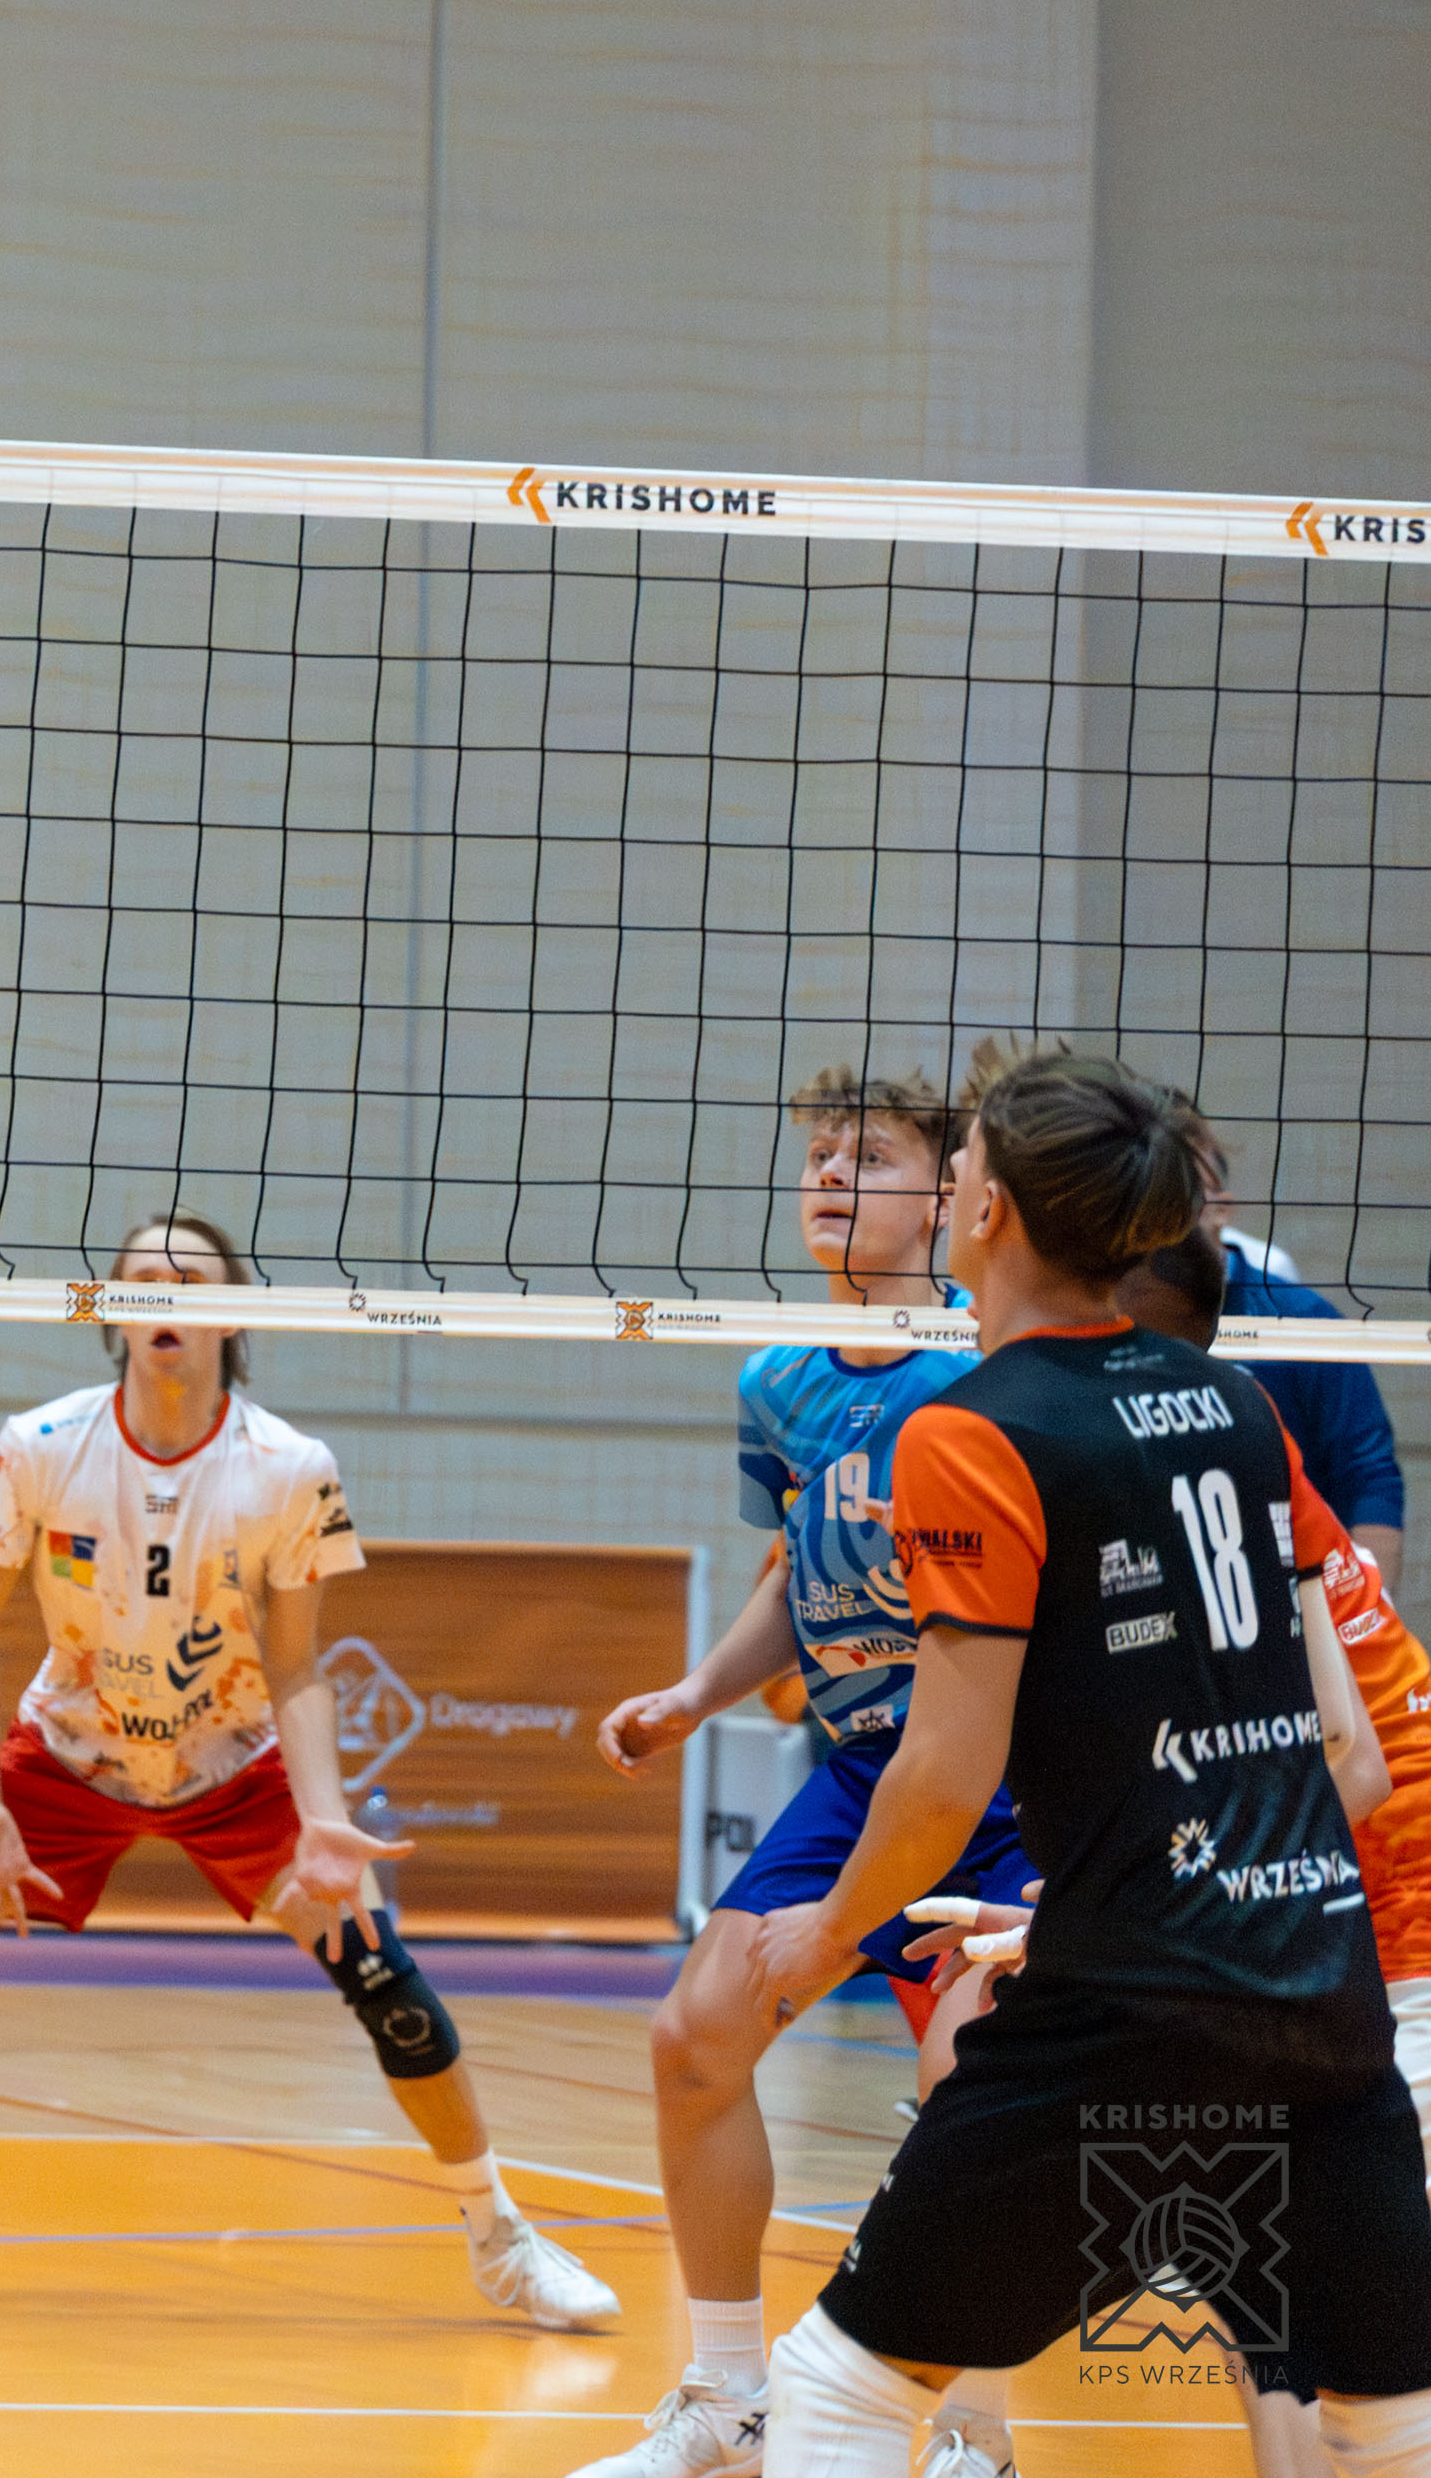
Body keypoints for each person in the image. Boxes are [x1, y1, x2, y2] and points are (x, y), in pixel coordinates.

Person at [0, 1212, 616, 2335]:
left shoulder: (289, 1469)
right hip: (65, 1753)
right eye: (138, 1277)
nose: (162, 1291)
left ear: (234, 1315)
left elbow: (297, 1664)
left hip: (237, 1762)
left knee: (386, 1985)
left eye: (190, 1277)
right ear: (111, 1313)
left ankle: (501, 2240)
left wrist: (322, 1815)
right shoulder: (38, 1446)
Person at [728, 1047, 1429, 2477]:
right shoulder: (1236, 1406)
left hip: (1128, 2013)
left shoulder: (969, 1432)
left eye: (965, 1157)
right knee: (1384, 2419)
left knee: (835, 2387)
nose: (953, 1174)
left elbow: (941, 1774)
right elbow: (1328, 1745)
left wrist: (829, 1929)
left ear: (987, 1209)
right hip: (1321, 1994)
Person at [569, 1068, 1043, 2478]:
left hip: (1007, 1770)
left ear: (948, 1195)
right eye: (818, 1157)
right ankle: (728, 2404)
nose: (831, 1177)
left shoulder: (988, 1370)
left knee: (973, 2087)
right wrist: (694, 1693)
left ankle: (974, 2433)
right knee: (693, 2040)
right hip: (856, 1773)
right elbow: (796, 1573)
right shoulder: (774, 1378)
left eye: (869, 1156)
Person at [1126, 1212, 1431, 2476]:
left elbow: (1348, 1768)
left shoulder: (1211, 1469)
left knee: (1355, 2320)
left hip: (1393, 1924)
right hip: (1324, 1921)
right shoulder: (1202, 1442)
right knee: (1249, 2245)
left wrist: (1123, 1907)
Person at [1194, 1130, 1406, 1587]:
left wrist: (1373, 1611)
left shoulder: (1301, 1319)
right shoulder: (1110, 1315)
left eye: (1182, 1188)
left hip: (1290, 1587)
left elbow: (1368, 1475)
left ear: (1221, 1208)